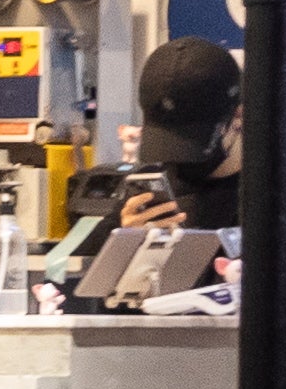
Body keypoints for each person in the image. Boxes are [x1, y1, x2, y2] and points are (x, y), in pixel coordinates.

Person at [63, 37, 245, 306]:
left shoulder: (277, 193)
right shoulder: (154, 186)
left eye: (192, 140)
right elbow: (73, 277)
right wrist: (122, 239)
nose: (178, 160)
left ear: (239, 117)